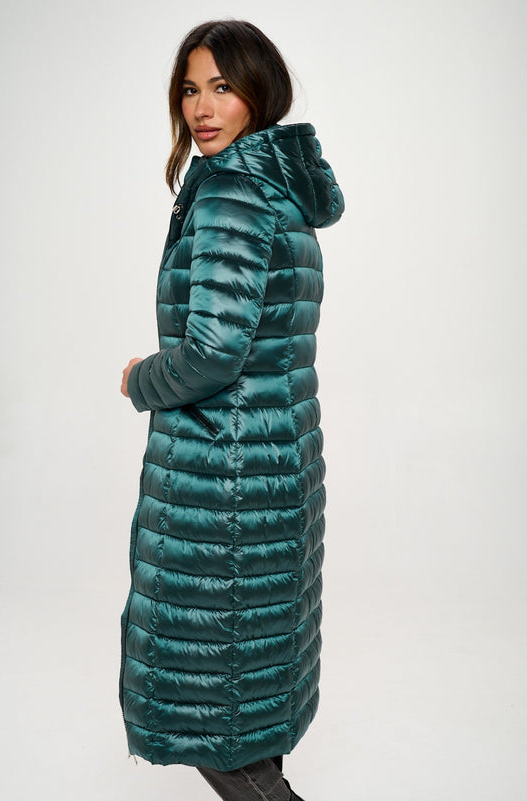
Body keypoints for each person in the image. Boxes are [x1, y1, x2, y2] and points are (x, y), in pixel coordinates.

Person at [119, 19, 344, 801]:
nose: (202, 108)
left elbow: (214, 352)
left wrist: (140, 379)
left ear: (259, 91)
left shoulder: (231, 192)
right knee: (247, 696)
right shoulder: (278, 187)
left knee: (213, 713)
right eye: (190, 89)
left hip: (224, 484)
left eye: (222, 86)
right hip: (276, 464)